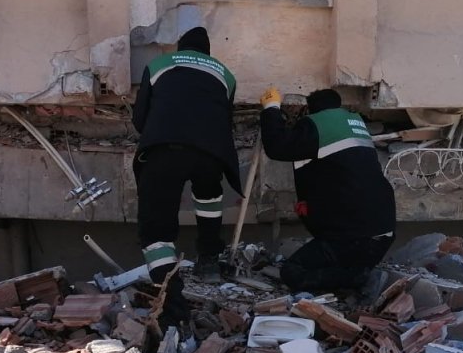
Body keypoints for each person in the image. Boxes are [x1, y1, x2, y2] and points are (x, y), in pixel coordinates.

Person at [131, 26, 239, 325]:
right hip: (211, 151)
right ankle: (209, 260)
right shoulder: (225, 74)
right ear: (207, 53)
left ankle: (172, 303)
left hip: (164, 149)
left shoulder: (158, 64)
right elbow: (224, 118)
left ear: (180, 48)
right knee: (208, 194)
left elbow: (140, 118)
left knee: (157, 231)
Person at [258, 88, 396, 292]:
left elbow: (278, 146)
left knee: (292, 272)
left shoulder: (317, 125)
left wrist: (271, 108)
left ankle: (358, 278)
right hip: (382, 232)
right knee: (333, 263)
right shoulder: (356, 124)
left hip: (353, 237)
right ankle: (354, 276)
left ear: (311, 110)